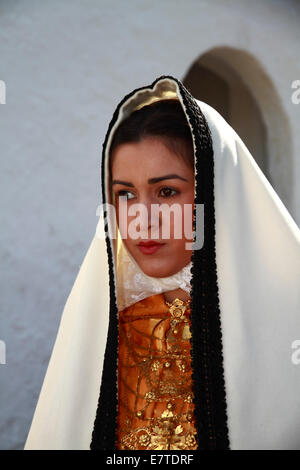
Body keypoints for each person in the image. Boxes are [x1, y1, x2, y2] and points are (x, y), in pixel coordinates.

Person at [24, 75, 300, 450]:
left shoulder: (287, 325)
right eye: (124, 194)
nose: (142, 218)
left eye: (167, 191)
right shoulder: (100, 328)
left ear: (215, 194)